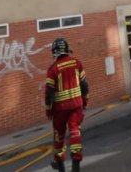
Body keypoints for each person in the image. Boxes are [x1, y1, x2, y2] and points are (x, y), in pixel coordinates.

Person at [45, 38, 88, 172]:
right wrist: (85, 100)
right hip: (76, 106)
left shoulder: (53, 69)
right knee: (75, 130)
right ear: (67, 50)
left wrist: (48, 111)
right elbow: (84, 85)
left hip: (60, 110)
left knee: (59, 135)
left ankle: (60, 165)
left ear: (55, 52)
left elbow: (49, 94)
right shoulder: (77, 63)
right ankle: (76, 160)